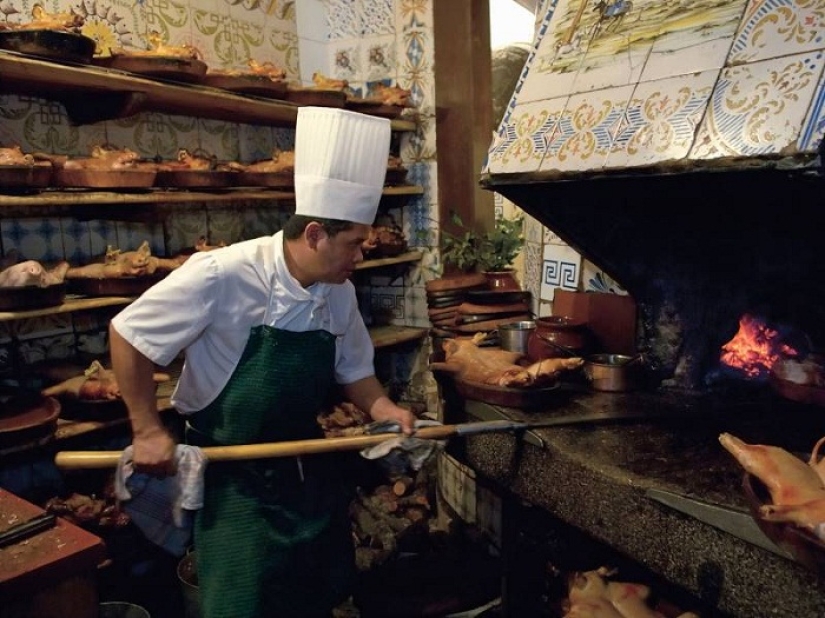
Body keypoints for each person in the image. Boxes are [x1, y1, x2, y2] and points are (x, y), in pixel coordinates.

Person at [108, 106, 417, 618]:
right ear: (314, 234)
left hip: (304, 471)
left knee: (315, 596)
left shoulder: (335, 288)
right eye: (354, 244)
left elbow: (354, 370)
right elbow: (128, 332)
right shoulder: (222, 275)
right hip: (236, 485)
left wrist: (382, 407)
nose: (361, 256)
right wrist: (145, 428)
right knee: (242, 604)